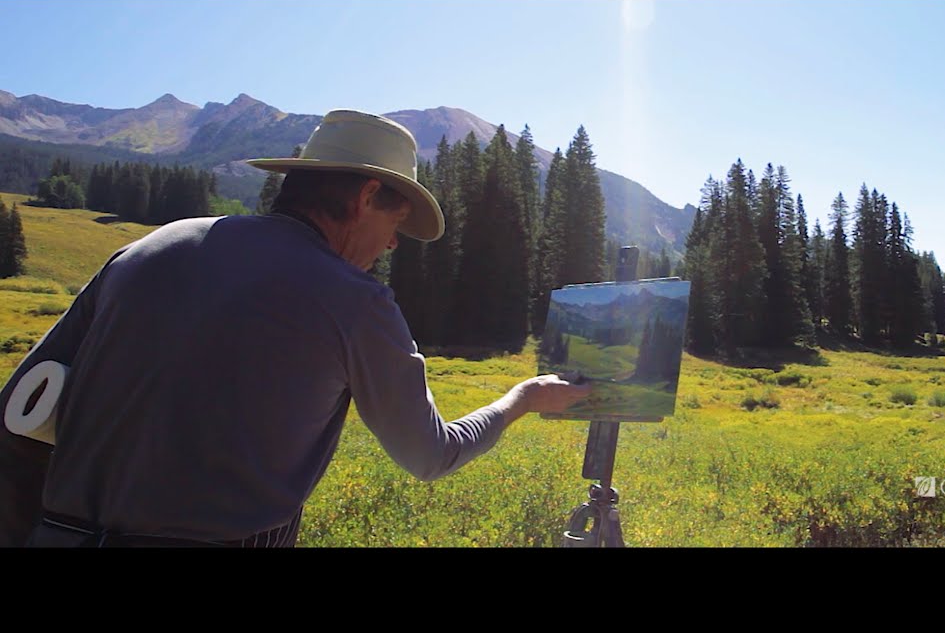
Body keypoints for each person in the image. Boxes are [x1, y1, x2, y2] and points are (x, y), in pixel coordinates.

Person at [0, 108, 588, 547]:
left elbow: (19, 414)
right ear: (364, 196)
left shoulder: (151, 246)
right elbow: (429, 455)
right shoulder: (356, 301)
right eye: (395, 221)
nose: (390, 244)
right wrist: (523, 398)